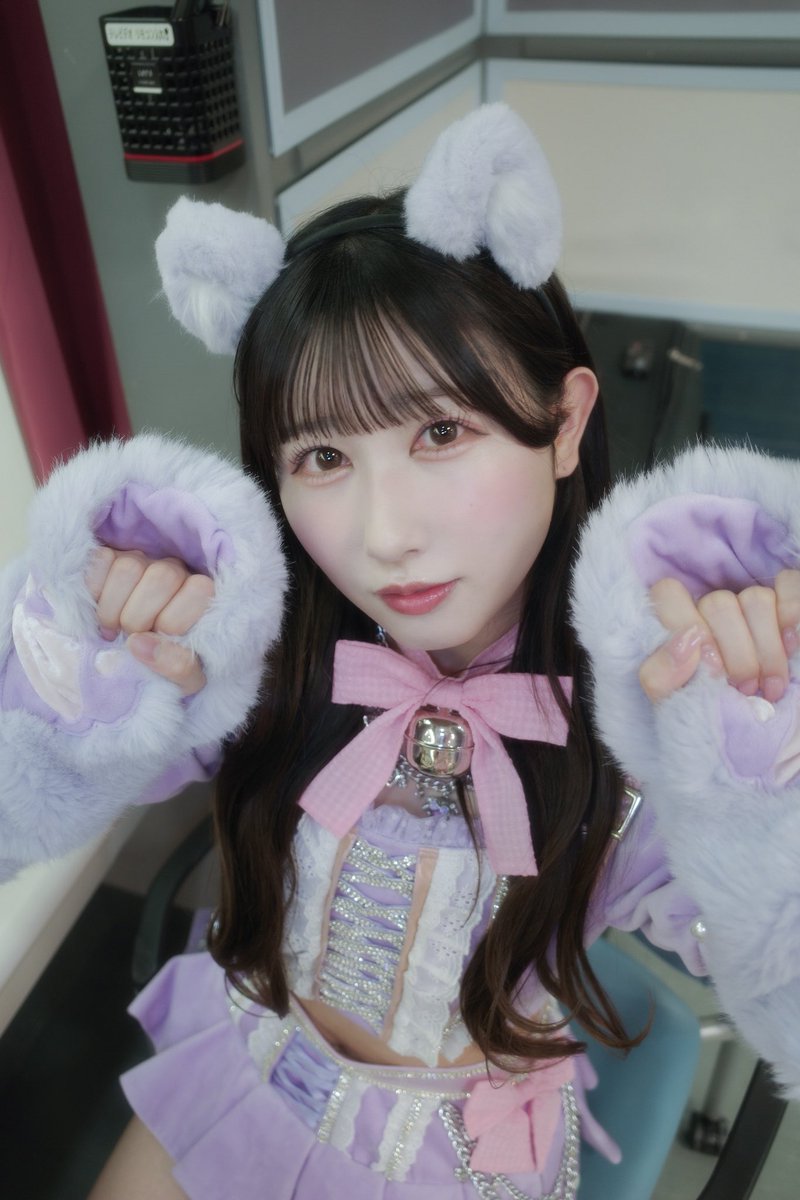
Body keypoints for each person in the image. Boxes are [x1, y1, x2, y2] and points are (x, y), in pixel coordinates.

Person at [1, 106, 798, 1199]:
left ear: (564, 421)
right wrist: (78, 663)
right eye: (323, 457)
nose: (382, 535)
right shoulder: (261, 647)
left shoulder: (648, 711)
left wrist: (761, 785)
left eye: (440, 432)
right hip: (247, 1069)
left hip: (453, 1158)